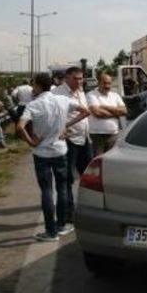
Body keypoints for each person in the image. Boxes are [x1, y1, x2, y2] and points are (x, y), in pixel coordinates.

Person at [17, 73, 89, 242]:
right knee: (62, 188)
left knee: (47, 191)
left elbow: (20, 127)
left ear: (38, 86)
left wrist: (31, 142)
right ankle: (62, 225)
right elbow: (86, 111)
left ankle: (50, 232)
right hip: (60, 150)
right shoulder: (62, 100)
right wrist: (65, 125)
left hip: (41, 153)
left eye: (34, 85)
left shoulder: (33, 105)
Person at [52, 66, 91, 223]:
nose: (79, 81)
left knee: (88, 175)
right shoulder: (57, 94)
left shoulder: (80, 91)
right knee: (67, 177)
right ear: (67, 78)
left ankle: (89, 208)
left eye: (81, 78)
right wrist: (62, 127)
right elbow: (52, 116)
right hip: (69, 141)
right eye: (76, 78)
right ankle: (69, 212)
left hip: (84, 139)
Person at [86, 72, 127, 155]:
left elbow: (124, 111)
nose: (107, 86)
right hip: (97, 135)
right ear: (98, 83)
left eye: (109, 83)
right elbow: (97, 113)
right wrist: (116, 113)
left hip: (113, 134)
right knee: (99, 159)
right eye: (104, 83)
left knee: (111, 159)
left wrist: (104, 106)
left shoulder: (115, 95)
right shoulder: (91, 95)